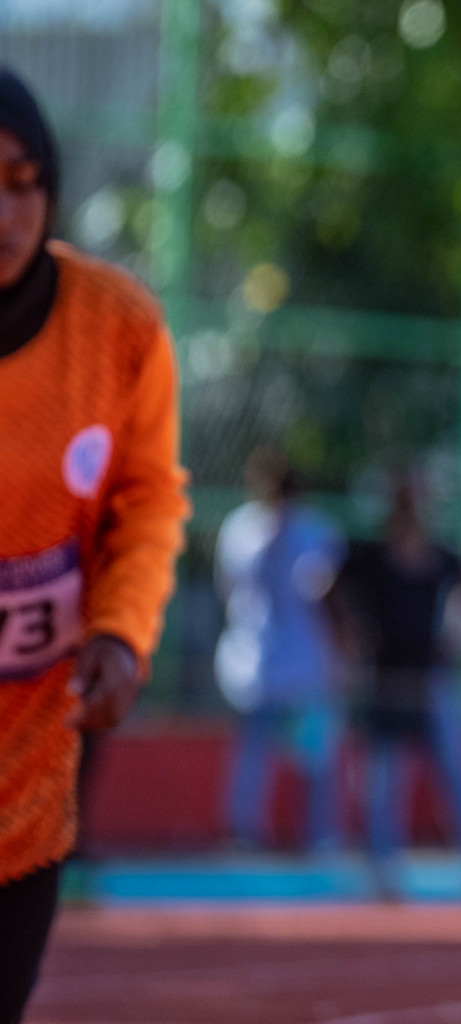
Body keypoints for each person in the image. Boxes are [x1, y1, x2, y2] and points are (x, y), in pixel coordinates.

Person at [0, 69, 188, 1023]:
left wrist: (122, 632)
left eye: (24, 178)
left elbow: (150, 500)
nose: (5, 210)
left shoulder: (117, 327)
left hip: (30, 770)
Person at [332, 474, 461, 901]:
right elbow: (325, 591)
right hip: (386, 684)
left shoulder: (443, 557)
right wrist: (347, 640)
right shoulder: (367, 558)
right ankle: (383, 877)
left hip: (434, 684)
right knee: (382, 786)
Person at [215, 447, 345, 852]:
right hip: (257, 662)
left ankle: (318, 835)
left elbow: (327, 595)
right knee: (256, 753)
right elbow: (230, 590)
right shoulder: (242, 529)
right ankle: (244, 833)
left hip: (306, 665)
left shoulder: (316, 531)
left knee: (316, 753)